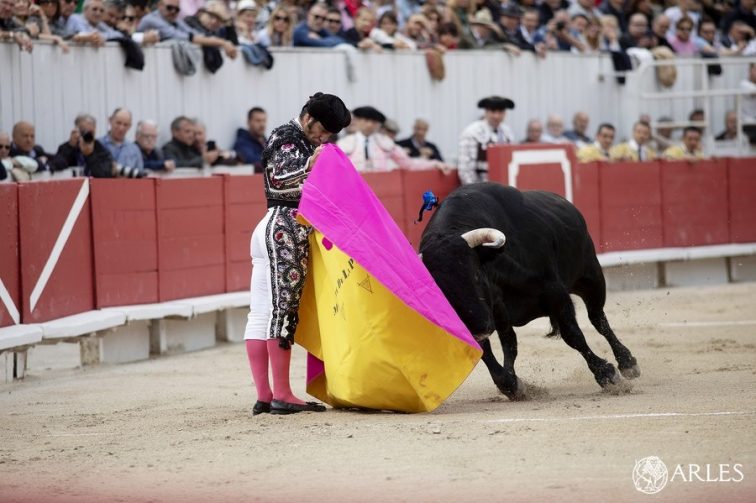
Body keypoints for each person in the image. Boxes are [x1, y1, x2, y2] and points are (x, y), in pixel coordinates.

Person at [243, 92, 351, 415]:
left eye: (330, 134)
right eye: (323, 130)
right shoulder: (289, 138)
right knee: (282, 312)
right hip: (284, 230)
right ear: (308, 118)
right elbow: (278, 181)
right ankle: (281, 394)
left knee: (262, 313)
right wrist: (309, 166)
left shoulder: (293, 138)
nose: (324, 138)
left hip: (272, 228)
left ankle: (266, 395)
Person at [338, 106, 448, 172]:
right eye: (366, 120)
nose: (370, 124)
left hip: (380, 190)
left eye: (374, 121)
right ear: (357, 120)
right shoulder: (344, 144)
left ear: (378, 124)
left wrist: (434, 163)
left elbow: (408, 164)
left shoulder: (385, 143)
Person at [457, 96, 515, 184]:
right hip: (481, 185)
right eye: (493, 111)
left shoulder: (507, 132)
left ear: (505, 113)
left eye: (500, 112)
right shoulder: (472, 132)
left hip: (504, 185)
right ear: (486, 112)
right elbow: (465, 168)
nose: (496, 116)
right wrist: (475, 190)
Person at [49, 113, 114, 176]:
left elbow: (105, 174)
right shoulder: (67, 147)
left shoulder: (101, 149)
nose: (88, 135)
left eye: (91, 133)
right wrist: (70, 146)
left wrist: (90, 155)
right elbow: (56, 165)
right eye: (84, 132)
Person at [99, 107, 144, 175]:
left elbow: (140, 175)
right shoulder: (98, 145)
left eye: (125, 125)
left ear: (130, 126)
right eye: (118, 123)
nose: (121, 128)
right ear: (110, 121)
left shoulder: (134, 150)